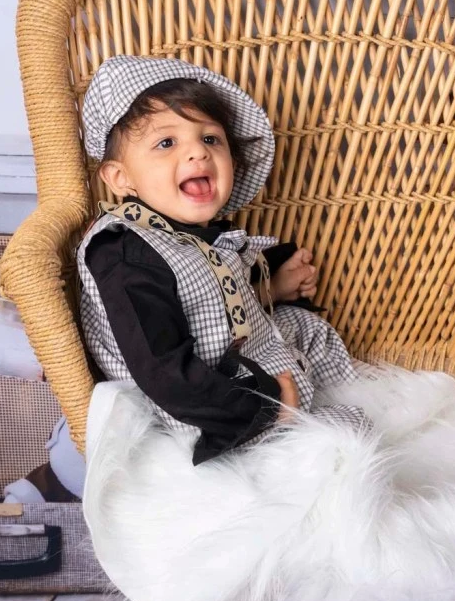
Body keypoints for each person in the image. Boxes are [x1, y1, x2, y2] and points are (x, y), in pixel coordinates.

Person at [77, 55, 365, 464]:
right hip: (206, 413)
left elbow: (208, 308)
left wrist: (272, 288)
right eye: (166, 143)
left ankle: (334, 404)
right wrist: (265, 408)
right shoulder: (126, 253)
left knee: (307, 331)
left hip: (248, 365)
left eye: (211, 139)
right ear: (121, 178)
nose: (198, 152)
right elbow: (163, 371)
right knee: (348, 437)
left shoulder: (190, 236)